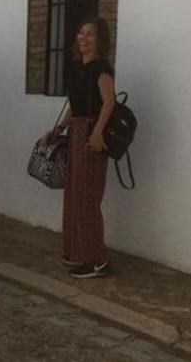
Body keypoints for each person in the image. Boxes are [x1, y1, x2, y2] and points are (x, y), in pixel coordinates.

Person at [49, 17, 116, 279]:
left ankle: (97, 260)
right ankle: (77, 251)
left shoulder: (102, 70)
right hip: (77, 132)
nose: (83, 38)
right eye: (81, 33)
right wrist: (57, 130)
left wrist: (98, 132)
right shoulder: (77, 68)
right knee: (74, 194)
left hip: (90, 134)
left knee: (88, 198)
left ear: (100, 41)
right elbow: (73, 106)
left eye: (90, 34)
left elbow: (108, 103)